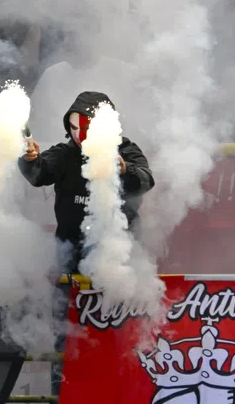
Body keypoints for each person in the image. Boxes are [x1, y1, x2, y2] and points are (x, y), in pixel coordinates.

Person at [19, 90, 155, 274]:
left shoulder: (125, 149)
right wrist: (30, 160)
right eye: (74, 128)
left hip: (121, 260)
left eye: (85, 129)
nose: (78, 135)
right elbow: (40, 174)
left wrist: (124, 169)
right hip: (70, 256)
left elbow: (146, 180)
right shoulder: (64, 154)